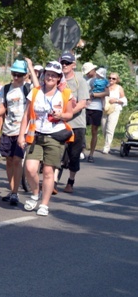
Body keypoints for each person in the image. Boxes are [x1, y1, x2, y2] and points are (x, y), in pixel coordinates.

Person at [19, 61, 74, 216]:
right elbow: (26, 115)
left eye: (54, 75)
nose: (50, 77)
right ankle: (35, 193)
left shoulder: (65, 94)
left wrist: (61, 115)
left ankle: (44, 204)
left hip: (55, 136)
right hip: (36, 135)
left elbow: (69, 115)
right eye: (48, 74)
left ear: (58, 78)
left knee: (49, 171)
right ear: (44, 75)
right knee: (30, 169)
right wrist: (21, 135)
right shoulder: (35, 91)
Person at [0, 59, 35, 206]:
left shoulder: (28, 88)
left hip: (22, 131)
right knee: (9, 161)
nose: (16, 77)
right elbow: (3, 108)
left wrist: (31, 67)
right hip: (8, 129)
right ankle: (12, 190)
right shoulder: (5, 89)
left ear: (25, 75)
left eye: (20, 75)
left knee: (17, 160)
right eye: (14, 74)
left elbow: (39, 88)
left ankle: (15, 192)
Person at [59, 52, 90, 193]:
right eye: (62, 62)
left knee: (74, 155)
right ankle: (52, 181)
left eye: (67, 63)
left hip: (76, 123)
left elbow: (82, 103)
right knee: (55, 152)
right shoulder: (57, 78)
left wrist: (68, 114)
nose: (64, 65)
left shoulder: (80, 80)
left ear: (73, 65)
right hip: (59, 122)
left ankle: (70, 181)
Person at [86, 66, 109, 162]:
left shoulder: (104, 81)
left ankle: (91, 154)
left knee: (94, 131)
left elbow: (107, 93)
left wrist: (95, 95)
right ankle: (80, 151)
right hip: (87, 107)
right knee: (82, 130)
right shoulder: (89, 80)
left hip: (97, 107)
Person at [101, 72, 127, 154]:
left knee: (110, 128)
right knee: (104, 128)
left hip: (115, 109)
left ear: (117, 80)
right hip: (105, 109)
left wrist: (115, 100)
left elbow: (124, 100)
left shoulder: (119, 88)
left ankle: (106, 147)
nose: (111, 79)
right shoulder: (105, 87)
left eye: (113, 78)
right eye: (110, 78)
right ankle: (107, 143)